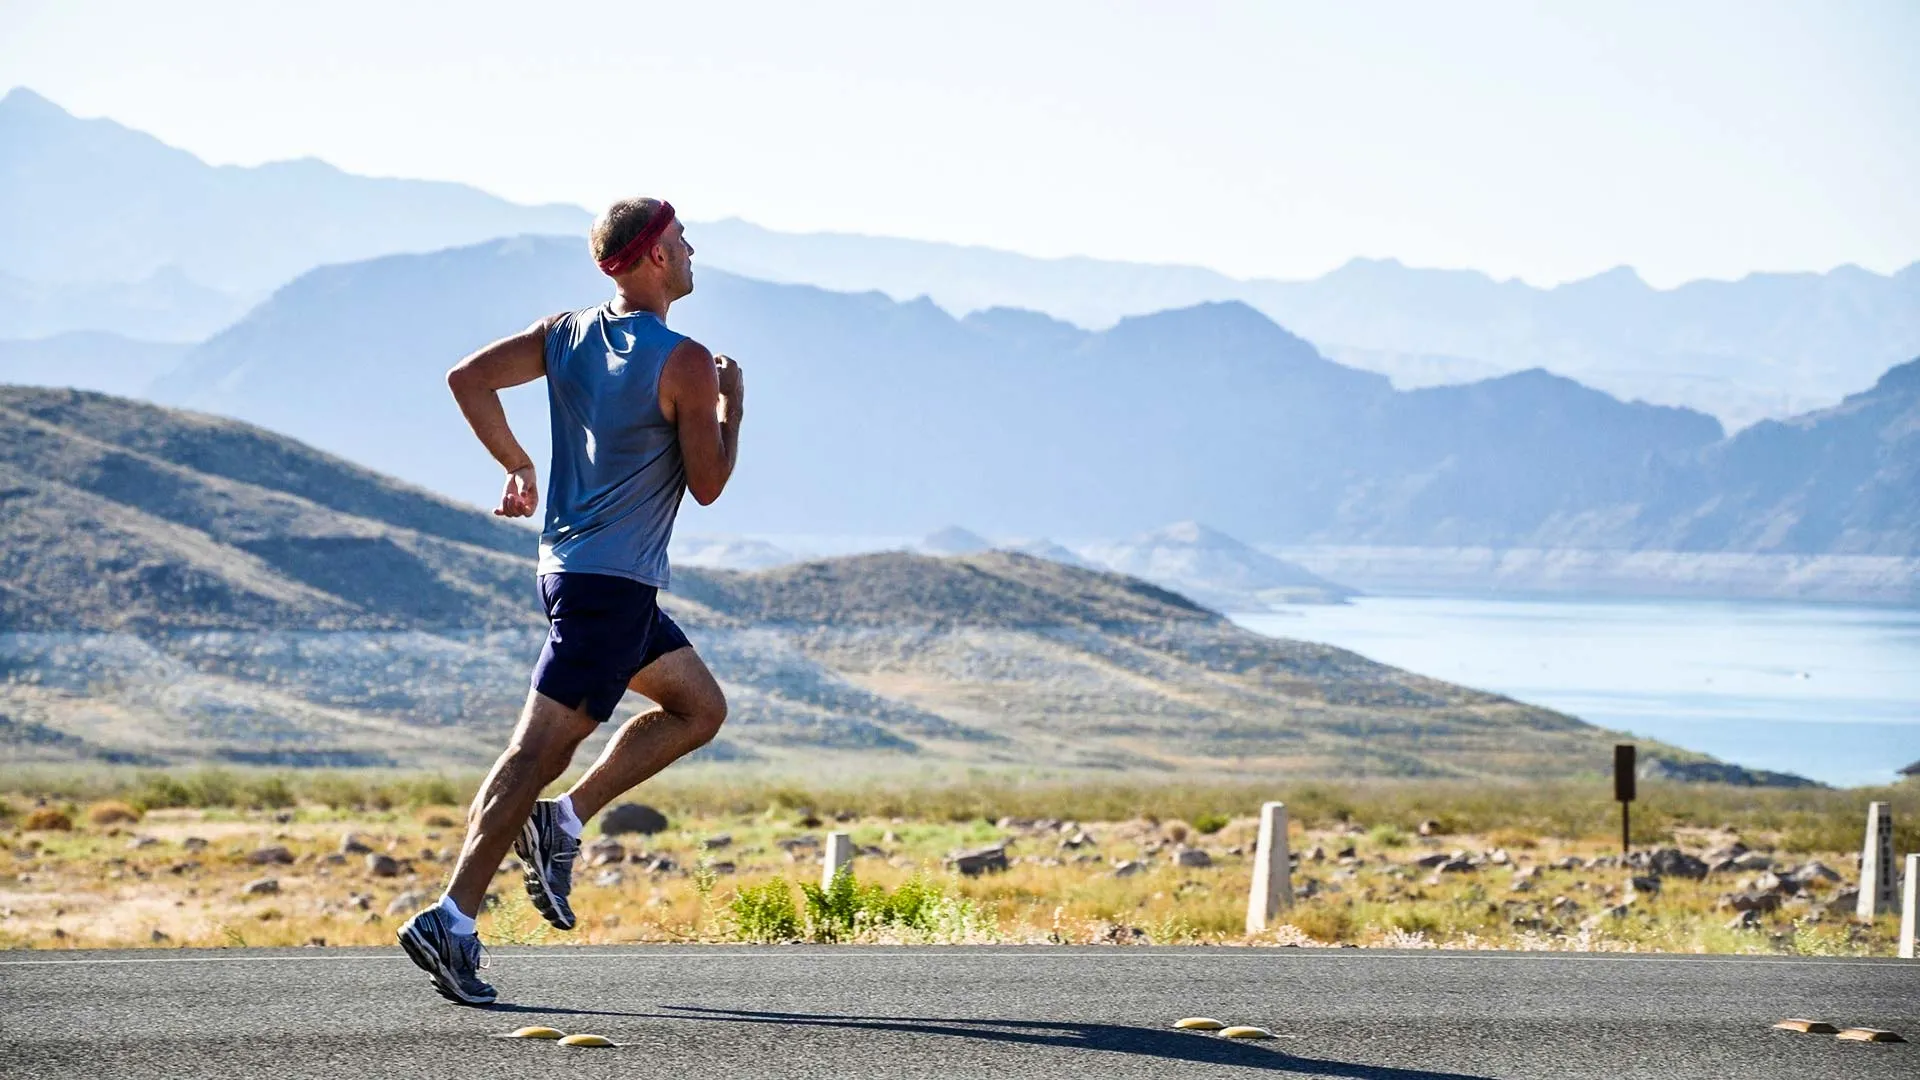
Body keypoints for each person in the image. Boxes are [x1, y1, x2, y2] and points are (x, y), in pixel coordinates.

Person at [397, 197, 744, 1004]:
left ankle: (562, 820)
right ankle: (452, 918)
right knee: (534, 754)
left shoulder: (565, 334)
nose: (693, 252)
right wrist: (733, 406)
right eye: (683, 241)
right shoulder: (686, 362)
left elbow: (467, 378)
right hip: (609, 590)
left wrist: (516, 463)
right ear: (655, 256)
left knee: (698, 708)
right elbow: (708, 483)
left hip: (579, 576)